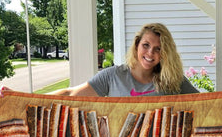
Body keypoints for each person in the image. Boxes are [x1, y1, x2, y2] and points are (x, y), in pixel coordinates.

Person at [50, 22, 199, 97]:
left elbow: (207, 104)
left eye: (158, 49)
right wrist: (31, 100)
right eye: (145, 45)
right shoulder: (113, 76)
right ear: (136, 45)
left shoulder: (173, 80)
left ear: (165, 53)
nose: (150, 52)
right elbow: (71, 94)